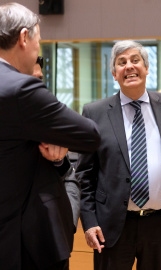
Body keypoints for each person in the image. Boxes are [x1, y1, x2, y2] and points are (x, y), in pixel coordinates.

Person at [76, 40, 161, 270]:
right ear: (114, 74)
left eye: (135, 60)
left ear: (147, 68)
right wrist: (89, 222)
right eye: (122, 63)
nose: (129, 66)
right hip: (111, 225)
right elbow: (84, 173)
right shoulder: (95, 112)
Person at [0, 3, 101, 270]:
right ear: (24, 37)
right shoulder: (20, 88)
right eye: (39, 41)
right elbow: (89, 135)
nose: (38, 51)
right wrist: (50, 131)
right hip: (22, 242)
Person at [31, 55, 81, 231]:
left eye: (39, 80)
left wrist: (68, 224)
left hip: (52, 240)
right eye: (29, 80)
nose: (36, 87)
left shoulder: (48, 124)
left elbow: (68, 178)